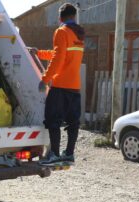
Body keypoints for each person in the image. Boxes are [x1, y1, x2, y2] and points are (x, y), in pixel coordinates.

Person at [36, 3, 85, 164]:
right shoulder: (78, 34)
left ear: (60, 17)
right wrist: (39, 53)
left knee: (53, 120)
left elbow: (58, 58)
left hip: (60, 85)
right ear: (74, 16)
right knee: (73, 121)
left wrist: (44, 79)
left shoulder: (61, 31)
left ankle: (54, 154)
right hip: (75, 86)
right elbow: (61, 54)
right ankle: (69, 153)